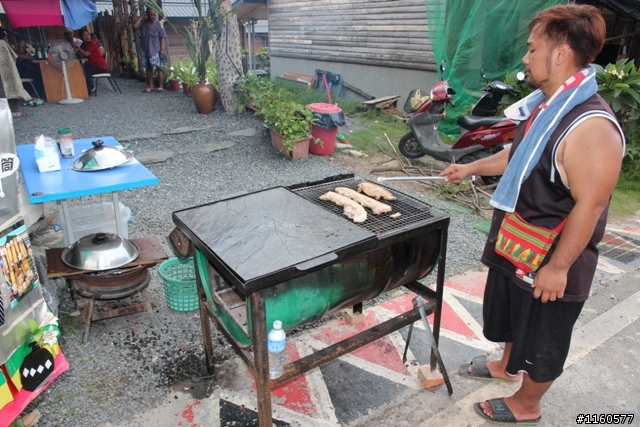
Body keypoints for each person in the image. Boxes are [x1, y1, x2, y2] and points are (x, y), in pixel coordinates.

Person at [440, 4, 625, 425]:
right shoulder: (546, 106)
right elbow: (518, 156)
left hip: (551, 253)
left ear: (559, 53)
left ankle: (528, 403)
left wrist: (559, 268)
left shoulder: (590, 125)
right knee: (508, 311)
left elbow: (591, 205)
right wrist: (469, 167)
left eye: (532, 48)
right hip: (517, 239)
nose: (525, 57)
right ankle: (506, 366)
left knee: (544, 332)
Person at [133, 7, 167, 93]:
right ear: (147, 15)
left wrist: (162, 49)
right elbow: (134, 26)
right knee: (148, 68)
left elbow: (162, 37)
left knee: (159, 68)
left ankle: (160, 86)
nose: (153, 16)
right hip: (146, 49)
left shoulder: (157, 23)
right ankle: (151, 86)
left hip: (156, 50)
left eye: (154, 15)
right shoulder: (143, 22)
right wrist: (141, 16)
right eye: (151, 15)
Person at [0, 28, 31, 116]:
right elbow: (15, 56)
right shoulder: (2, 44)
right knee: (10, 86)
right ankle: (14, 110)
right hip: (6, 71)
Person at [7, 30, 45, 100]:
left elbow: (21, 52)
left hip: (23, 66)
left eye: (15, 37)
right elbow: (18, 55)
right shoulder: (7, 46)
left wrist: (20, 45)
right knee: (36, 75)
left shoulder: (15, 44)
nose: (14, 38)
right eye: (12, 36)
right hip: (17, 69)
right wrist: (30, 57)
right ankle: (37, 93)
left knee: (37, 72)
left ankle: (38, 92)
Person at [74, 28, 107, 94]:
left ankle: (92, 88)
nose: (87, 36)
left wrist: (77, 47)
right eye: (84, 35)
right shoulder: (83, 44)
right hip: (92, 65)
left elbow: (86, 53)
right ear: (81, 37)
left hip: (100, 66)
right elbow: (81, 53)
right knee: (81, 70)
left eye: (88, 34)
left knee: (86, 71)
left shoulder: (92, 43)